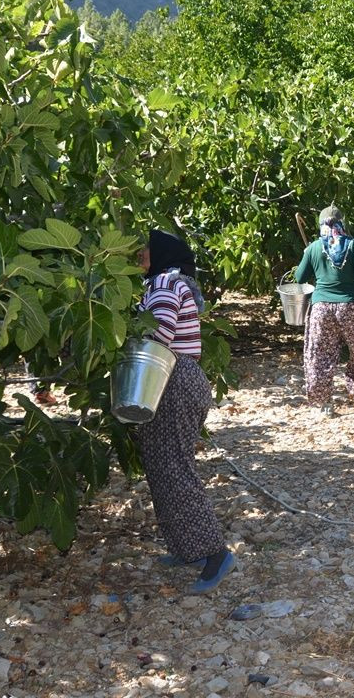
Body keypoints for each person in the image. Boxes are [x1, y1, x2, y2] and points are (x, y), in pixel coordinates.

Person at [134, 229, 234, 594]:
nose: (141, 256)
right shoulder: (172, 282)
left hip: (170, 378)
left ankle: (215, 554)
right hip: (177, 379)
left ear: (160, 254)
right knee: (162, 465)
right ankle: (185, 547)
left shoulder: (163, 282)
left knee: (174, 467)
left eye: (145, 250)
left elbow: (159, 334)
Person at [295, 205, 354, 417]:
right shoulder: (353, 245)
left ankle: (322, 403)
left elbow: (299, 279)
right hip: (352, 308)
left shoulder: (313, 248)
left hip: (322, 310)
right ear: (342, 223)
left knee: (320, 355)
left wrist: (306, 256)